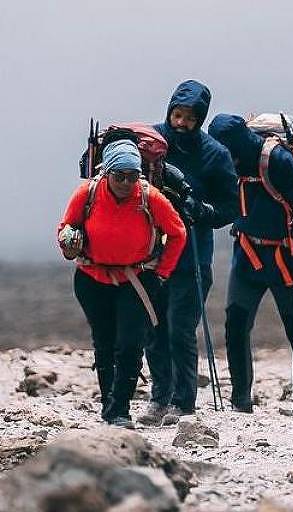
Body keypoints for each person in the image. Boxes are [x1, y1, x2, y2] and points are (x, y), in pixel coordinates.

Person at [58, 140, 186, 428]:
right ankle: (109, 406)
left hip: (137, 280)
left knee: (130, 344)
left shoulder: (150, 197)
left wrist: (161, 273)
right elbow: (65, 227)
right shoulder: (87, 193)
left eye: (132, 176)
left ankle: (121, 410)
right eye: (119, 176)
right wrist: (68, 243)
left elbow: (177, 233)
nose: (126, 182)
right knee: (103, 342)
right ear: (106, 173)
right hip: (92, 279)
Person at [208, 114, 293, 419]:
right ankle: (240, 401)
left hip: (287, 256)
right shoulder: (226, 161)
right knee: (235, 324)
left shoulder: (277, 160)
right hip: (247, 254)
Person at [140, 80, 238, 424]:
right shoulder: (150, 143)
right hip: (149, 255)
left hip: (193, 256)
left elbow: (230, 208)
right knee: (154, 327)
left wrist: (201, 210)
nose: (181, 123)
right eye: (176, 114)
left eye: (189, 118)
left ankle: (184, 403)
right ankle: (158, 399)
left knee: (180, 329)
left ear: (201, 119)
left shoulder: (215, 154)